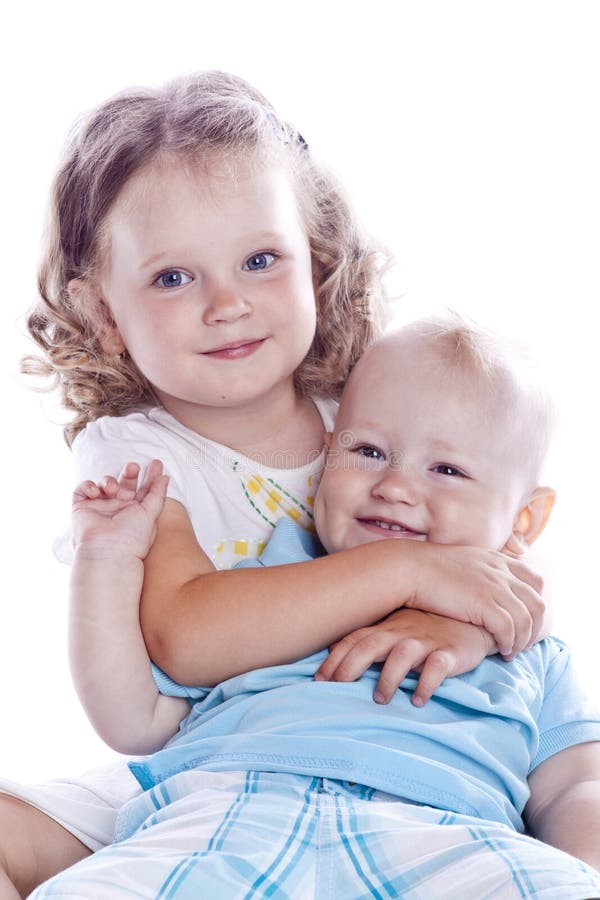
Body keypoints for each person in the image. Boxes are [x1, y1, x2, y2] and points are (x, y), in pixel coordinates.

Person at [0, 70, 544, 898]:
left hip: (379, 748)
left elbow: (496, 554)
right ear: (105, 314)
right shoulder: (136, 455)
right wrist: (405, 573)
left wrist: (465, 630)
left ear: (316, 265)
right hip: (201, 754)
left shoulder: (366, 413)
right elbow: (187, 640)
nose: (228, 305)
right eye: (174, 277)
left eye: (259, 260)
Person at [29, 317, 600, 898]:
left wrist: (581, 867)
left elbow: (574, 789)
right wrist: (105, 562)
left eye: (447, 470)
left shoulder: (532, 649)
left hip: (451, 836)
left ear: (523, 520)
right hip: (232, 814)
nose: (395, 486)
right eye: (369, 451)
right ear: (328, 457)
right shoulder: (274, 587)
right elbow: (136, 715)